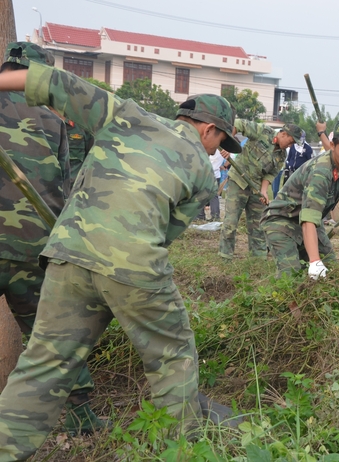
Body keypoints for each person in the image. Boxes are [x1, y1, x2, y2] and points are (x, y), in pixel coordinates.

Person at [0, 51, 241, 460]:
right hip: (131, 263)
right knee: (172, 356)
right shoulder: (201, 169)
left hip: (67, 254)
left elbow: (57, 84)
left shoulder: (127, 115)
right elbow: (165, 236)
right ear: (209, 130)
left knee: (43, 363)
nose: (218, 151)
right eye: (221, 141)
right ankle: (182, 452)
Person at [0, 41, 106, 436]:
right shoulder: (52, 118)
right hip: (35, 245)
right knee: (53, 337)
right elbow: (64, 184)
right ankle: (82, 418)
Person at [261, 120, 339, 278]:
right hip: (282, 221)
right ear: (332, 146)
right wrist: (314, 261)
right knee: (290, 274)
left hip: (309, 220)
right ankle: (287, 301)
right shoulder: (320, 173)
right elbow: (309, 220)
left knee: (331, 266)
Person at [218, 120, 301, 258]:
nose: (290, 145)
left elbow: (270, 174)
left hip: (255, 187)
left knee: (258, 226)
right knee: (231, 223)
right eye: (291, 141)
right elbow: (238, 124)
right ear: (284, 134)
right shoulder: (262, 131)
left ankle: (258, 258)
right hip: (238, 181)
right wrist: (228, 145)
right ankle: (225, 256)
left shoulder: (282, 155)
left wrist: (263, 191)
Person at [272, 132, 313, 197]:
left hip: (300, 174)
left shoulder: (307, 148)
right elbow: (289, 158)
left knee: (297, 192)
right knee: (286, 191)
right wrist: (287, 167)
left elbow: (310, 161)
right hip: (290, 172)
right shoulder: (293, 146)